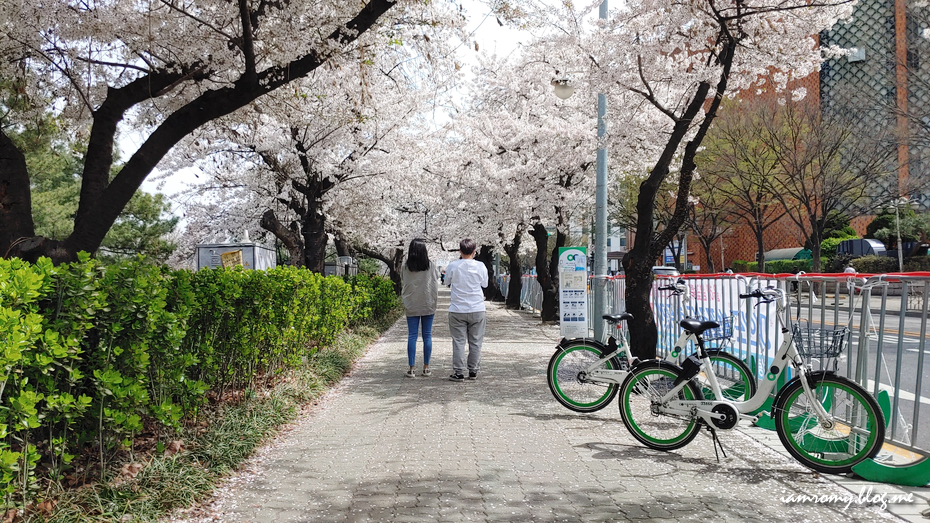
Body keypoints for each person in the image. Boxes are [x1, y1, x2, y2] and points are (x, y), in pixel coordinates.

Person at [443, 238, 488, 382]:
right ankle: (473, 371)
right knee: (475, 342)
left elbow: (446, 282)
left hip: (457, 309)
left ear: (460, 251)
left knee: (458, 342)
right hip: (477, 308)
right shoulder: (481, 266)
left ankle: (458, 372)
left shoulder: (453, 266)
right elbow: (485, 284)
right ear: (474, 252)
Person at [401, 238, 440, 378]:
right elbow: (436, 282)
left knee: (412, 336)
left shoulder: (405, 266)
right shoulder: (431, 265)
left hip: (411, 304)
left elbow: (403, 280)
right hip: (427, 303)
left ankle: (411, 369)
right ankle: (426, 367)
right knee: (427, 336)